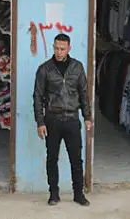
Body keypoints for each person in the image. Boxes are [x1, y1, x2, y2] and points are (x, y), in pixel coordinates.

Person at [33, 33, 92, 207]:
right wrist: (40, 122)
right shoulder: (45, 69)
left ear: (68, 48)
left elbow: (84, 94)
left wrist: (87, 117)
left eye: (62, 49)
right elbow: (37, 97)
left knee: (76, 159)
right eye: (56, 48)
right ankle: (53, 194)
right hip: (52, 119)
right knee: (52, 158)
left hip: (72, 119)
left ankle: (78, 194)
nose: (59, 52)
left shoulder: (77, 67)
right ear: (53, 47)